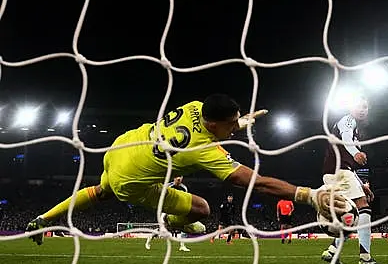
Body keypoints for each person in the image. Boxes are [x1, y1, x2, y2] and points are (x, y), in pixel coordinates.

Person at [26, 94, 351, 245]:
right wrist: (307, 194)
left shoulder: (195, 106)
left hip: (123, 146)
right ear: (213, 125)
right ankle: (167, 223)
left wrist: (240, 121)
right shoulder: (204, 148)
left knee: (98, 190)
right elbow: (255, 183)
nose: (234, 130)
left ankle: (44, 219)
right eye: (230, 126)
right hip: (133, 180)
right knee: (201, 209)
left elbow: (212, 124)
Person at [320, 96, 388, 264]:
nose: (362, 109)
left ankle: (332, 252)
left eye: (365, 107)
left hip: (336, 173)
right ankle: (365, 259)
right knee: (363, 207)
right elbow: (346, 138)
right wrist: (355, 151)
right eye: (358, 106)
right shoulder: (348, 121)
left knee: (349, 217)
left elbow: (348, 165)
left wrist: (362, 185)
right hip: (339, 172)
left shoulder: (356, 129)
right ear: (350, 108)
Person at [145, 176, 191, 252]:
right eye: (177, 177)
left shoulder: (184, 188)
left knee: (183, 226)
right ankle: (150, 237)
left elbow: (185, 199)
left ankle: (182, 246)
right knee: (163, 229)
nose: (178, 179)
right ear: (174, 178)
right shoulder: (167, 186)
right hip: (166, 209)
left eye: (180, 177)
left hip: (177, 209)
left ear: (182, 179)